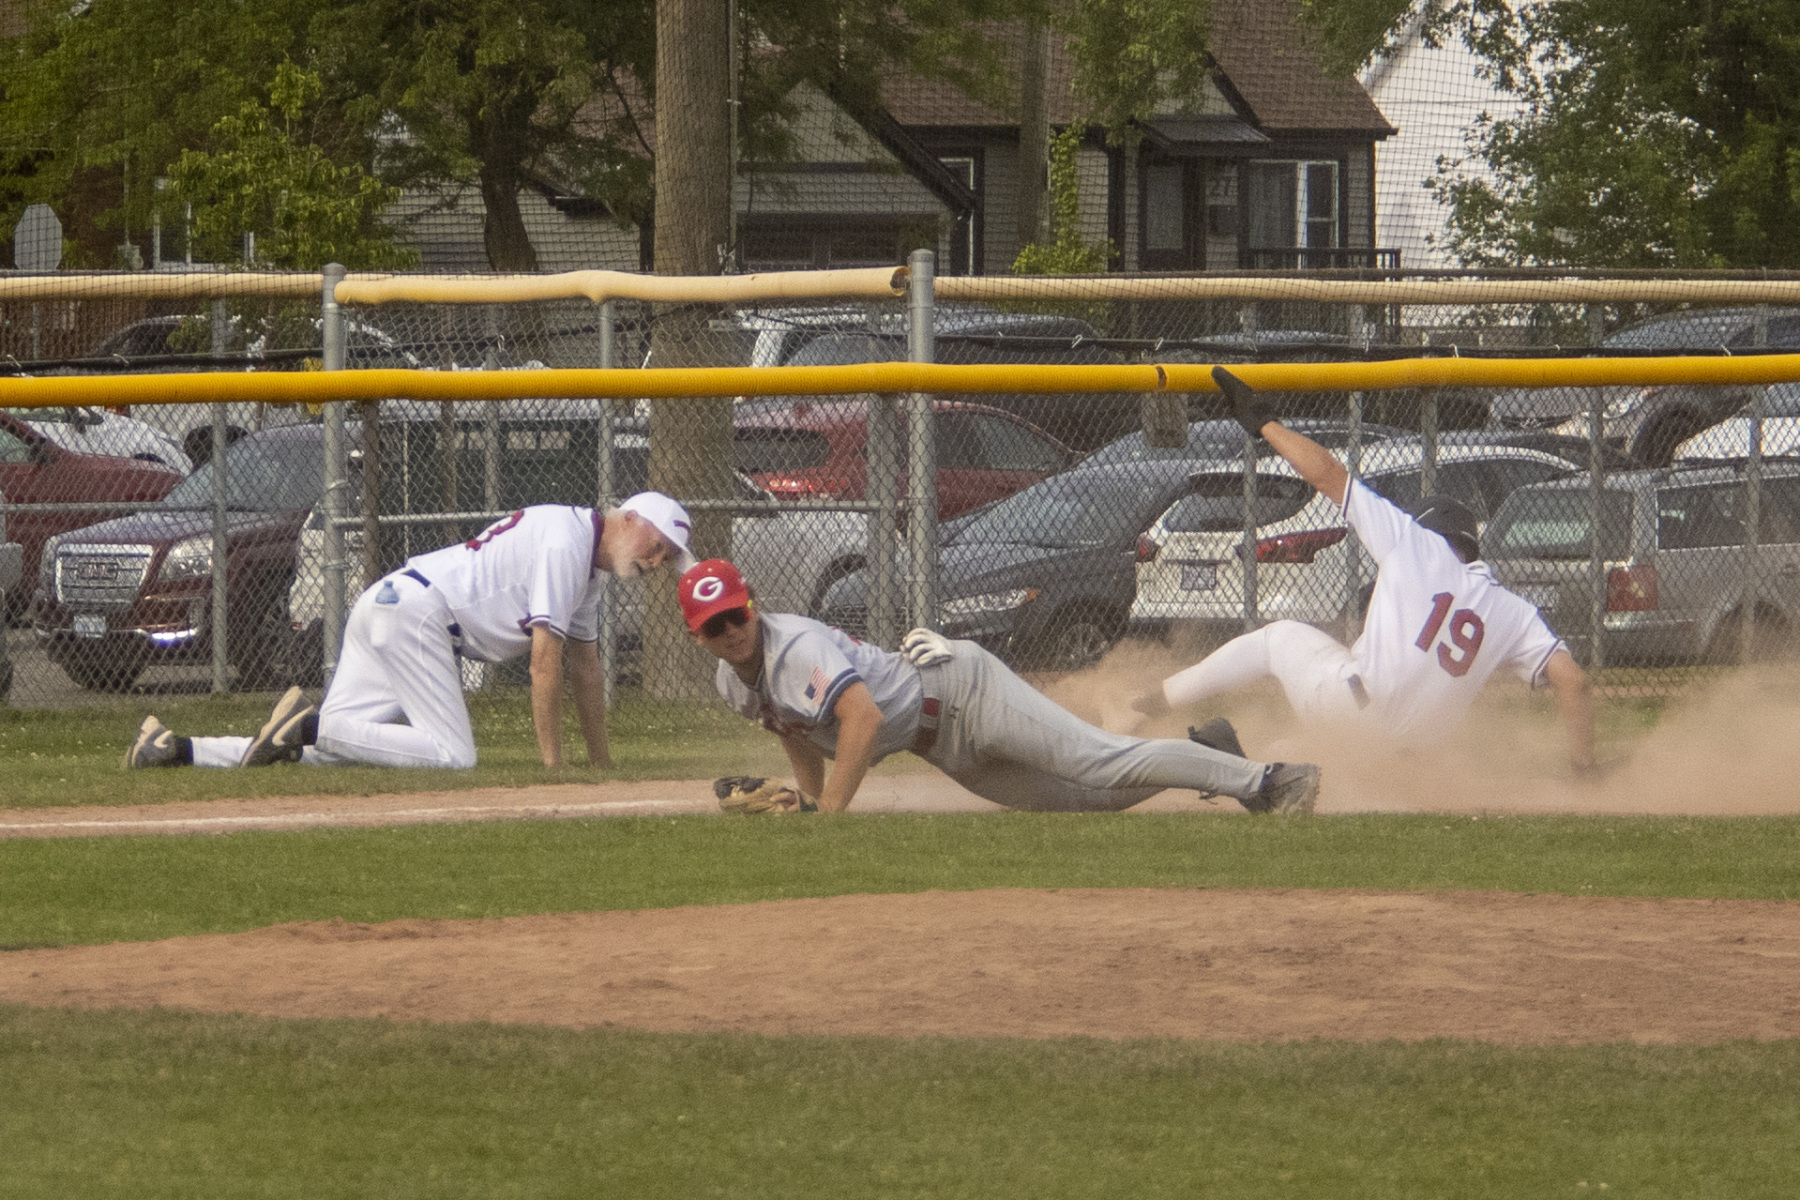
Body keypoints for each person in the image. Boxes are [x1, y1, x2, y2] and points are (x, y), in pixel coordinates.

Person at [1129, 367, 1597, 771]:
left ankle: (1147, 706)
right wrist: (1583, 768)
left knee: (1277, 639)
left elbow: (1328, 474)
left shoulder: (1417, 542)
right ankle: (1269, 766)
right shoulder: (1513, 612)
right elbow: (1573, 681)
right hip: (1407, 759)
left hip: (1352, 710)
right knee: (1325, 724)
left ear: (1432, 531)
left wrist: (1265, 424)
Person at [680, 557, 1322, 814]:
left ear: (753, 608)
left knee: (1099, 761)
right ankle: (1211, 751)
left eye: (736, 615)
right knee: (1087, 800)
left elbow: (862, 719)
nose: (731, 631)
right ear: (696, 635)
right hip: (941, 743)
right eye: (715, 625)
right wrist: (807, 800)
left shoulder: (794, 648)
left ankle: (1273, 782)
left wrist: (828, 820)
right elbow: (794, 727)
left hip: (962, 693)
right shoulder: (733, 683)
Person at [124, 492, 696, 772]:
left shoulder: (587, 566)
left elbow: (585, 670)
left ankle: (175, 750)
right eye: (657, 545)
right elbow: (543, 663)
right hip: (419, 616)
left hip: (393, 602)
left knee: (324, 753)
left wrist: (601, 765)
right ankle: (311, 721)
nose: (657, 560)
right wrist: (554, 767)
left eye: (668, 556)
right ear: (628, 519)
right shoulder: (566, 542)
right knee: (453, 756)